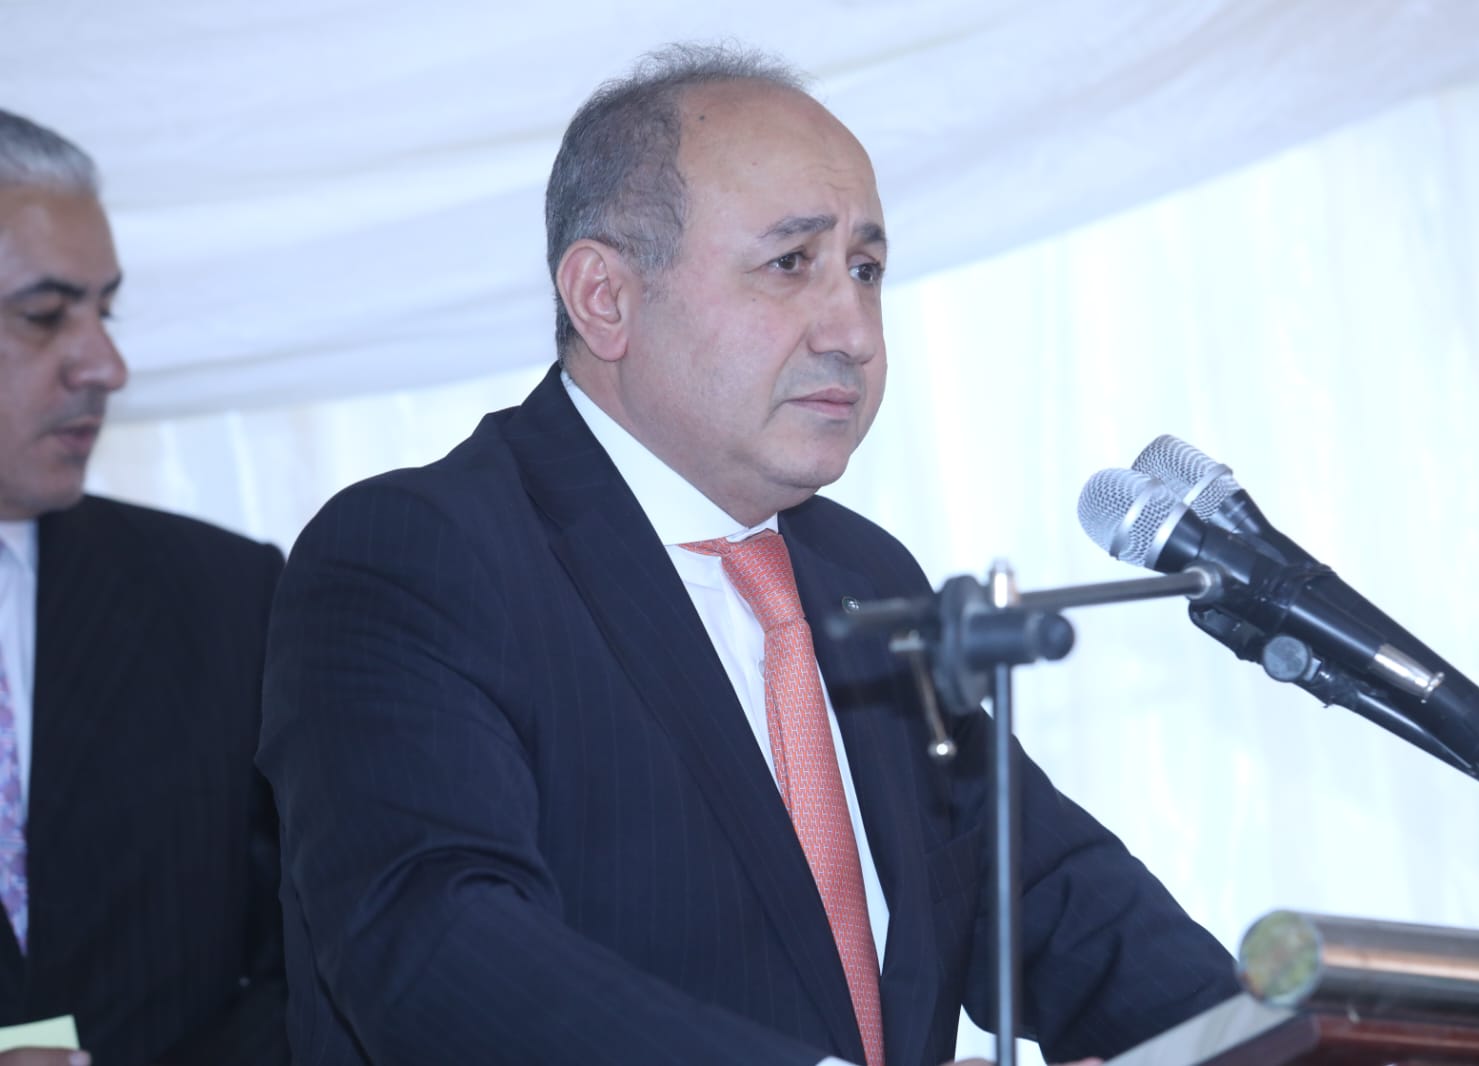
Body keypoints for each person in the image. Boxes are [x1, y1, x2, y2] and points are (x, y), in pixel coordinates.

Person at [258, 44, 1239, 1066]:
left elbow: (1050, 894)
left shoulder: (865, 577)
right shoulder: (419, 557)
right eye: (790, 264)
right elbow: (443, 953)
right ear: (605, 297)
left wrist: (1263, 1037)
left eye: (866, 270)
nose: (855, 332)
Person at [0, 111, 289, 1066]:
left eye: (105, 312)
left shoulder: (226, 597)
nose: (106, 367)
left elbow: (321, 953)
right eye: (44, 314)